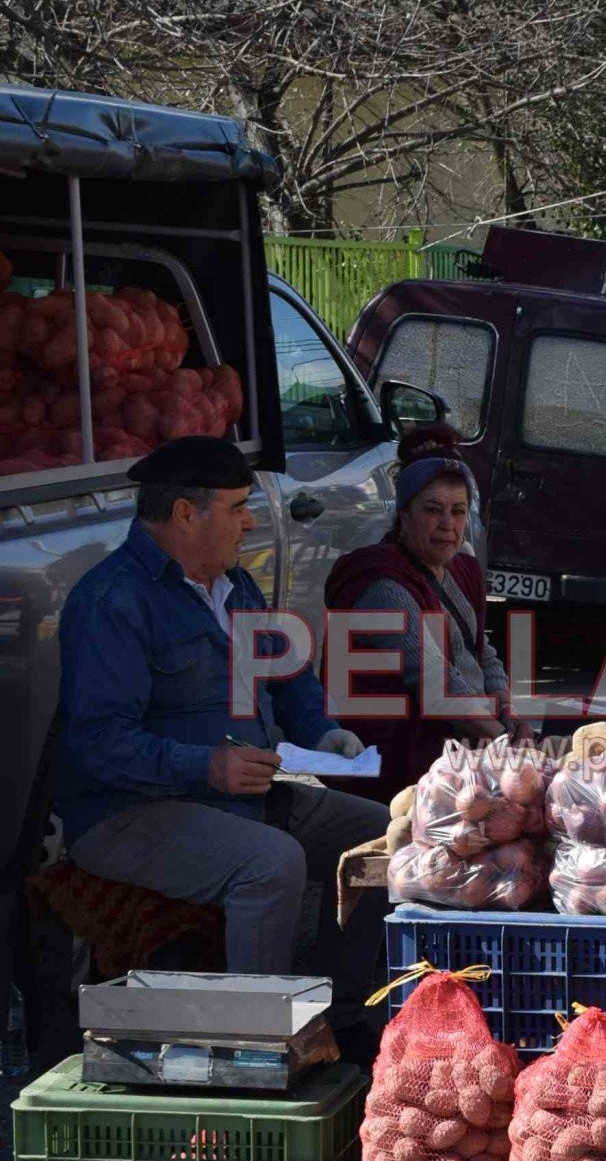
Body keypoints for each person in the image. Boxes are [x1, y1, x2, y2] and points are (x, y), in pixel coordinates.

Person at [54, 437, 389, 1056]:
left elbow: (287, 678)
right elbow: (98, 744)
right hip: (126, 813)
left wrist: (322, 733)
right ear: (186, 514)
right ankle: (254, 1048)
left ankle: (339, 1019)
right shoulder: (112, 600)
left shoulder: (235, 584)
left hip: (241, 795)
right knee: (270, 863)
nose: (251, 521)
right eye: (237, 508)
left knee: (381, 837)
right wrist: (205, 765)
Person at [324, 424, 511, 793]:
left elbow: (480, 650)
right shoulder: (381, 585)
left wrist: (506, 707)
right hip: (403, 770)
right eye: (433, 510)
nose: (448, 525)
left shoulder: (459, 566)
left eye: (458, 512)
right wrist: (506, 744)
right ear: (404, 514)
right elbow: (433, 681)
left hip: (466, 746)